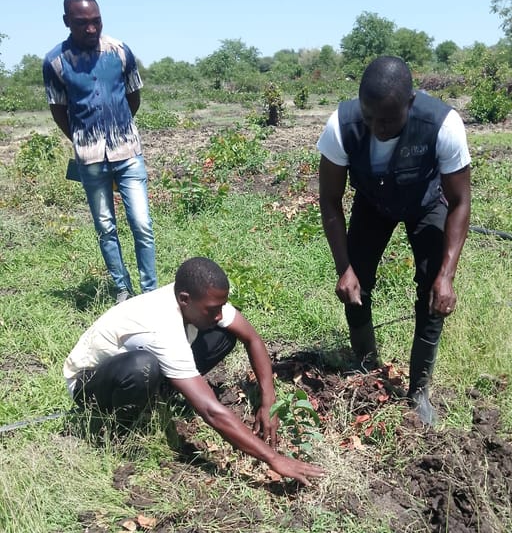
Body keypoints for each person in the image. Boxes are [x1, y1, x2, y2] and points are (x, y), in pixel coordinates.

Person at [63, 256, 326, 486]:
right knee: (142, 367)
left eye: (221, 306)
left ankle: (161, 393)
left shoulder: (200, 298)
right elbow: (210, 411)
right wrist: (274, 459)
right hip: (91, 385)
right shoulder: (161, 327)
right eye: (212, 309)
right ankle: (118, 434)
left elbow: (252, 338)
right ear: (184, 299)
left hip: (142, 366)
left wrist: (269, 402)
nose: (219, 313)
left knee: (224, 333)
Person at [317, 56, 471, 425]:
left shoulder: (443, 124)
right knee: (356, 282)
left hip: (426, 203)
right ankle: (366, 368)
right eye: (369, 117)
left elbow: (460, 202)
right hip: (373, 203)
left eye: (387, 120)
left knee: (432, 290)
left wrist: (446, 275)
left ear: (410, 103)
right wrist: (344, 268)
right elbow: (330, 199)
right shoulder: (341, 126)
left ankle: (419, 390)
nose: (377, 128)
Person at [43, 0, 157, 302]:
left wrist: (118, 130)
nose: (91, 28)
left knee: (142, 224)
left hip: (128, 153)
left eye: (97, 21)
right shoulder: (55, 62)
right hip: (90, 159)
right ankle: (122, 289)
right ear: (67, 21)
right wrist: (84, 138)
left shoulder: (120, 51)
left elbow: (133, 97)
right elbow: (58, 110)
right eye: (82, 23)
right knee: (105, 226)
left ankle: (149, 293)